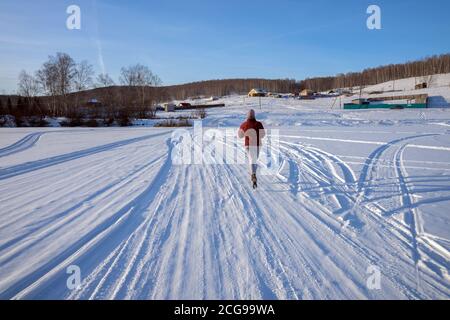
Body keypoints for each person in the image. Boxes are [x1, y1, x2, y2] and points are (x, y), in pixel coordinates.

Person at [238, 109, 265, 188]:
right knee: (254, 160)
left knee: (251, 160)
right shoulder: (259, 124)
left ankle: (253, 174)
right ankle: (253, 174)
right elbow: (263, 135)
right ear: (254, 115)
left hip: (248, 145)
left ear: (247, 115)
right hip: (257, 145)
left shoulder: (244, 124)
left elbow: (240, 136)